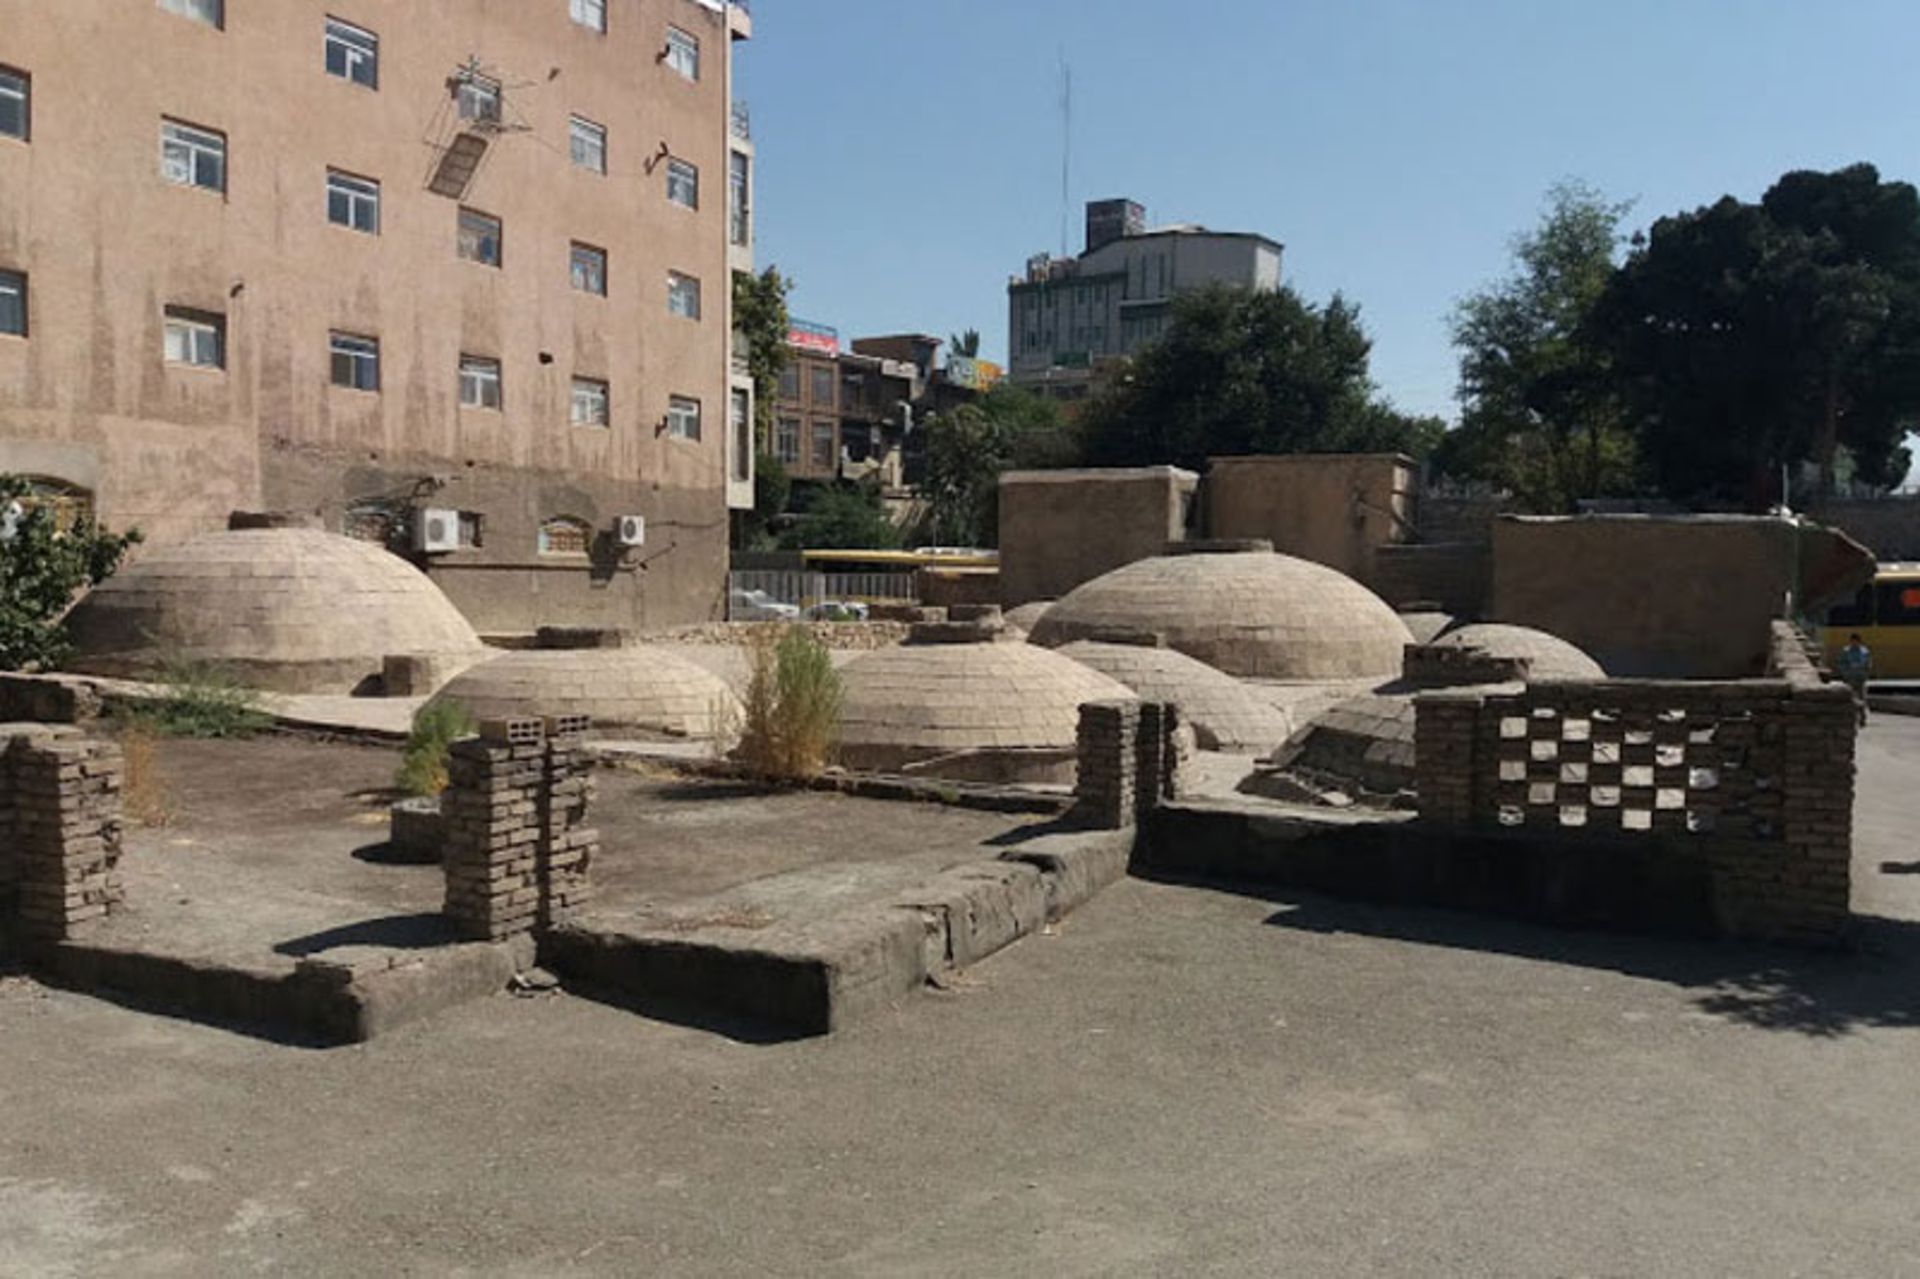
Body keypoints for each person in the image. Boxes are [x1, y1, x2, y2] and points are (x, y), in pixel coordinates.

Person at [1834, 632, 1873, 726]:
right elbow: (1841, 663)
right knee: (1851, 699)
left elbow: (1868, 663)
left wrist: (1866, 673)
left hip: (1861, 678)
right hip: (1850, 678)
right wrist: (1845, 674)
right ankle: (1852, 718)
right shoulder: (1845, 651)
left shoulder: (1864, 652)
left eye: (1856, 641)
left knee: (1862, 698)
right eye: (1853, 641)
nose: (1854, 643)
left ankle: (1862, 718)